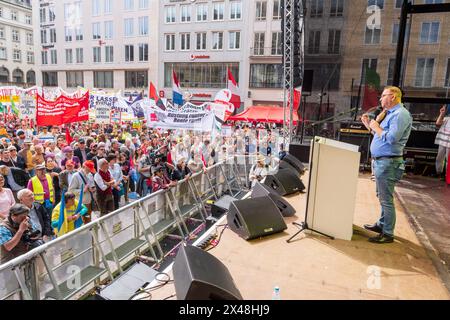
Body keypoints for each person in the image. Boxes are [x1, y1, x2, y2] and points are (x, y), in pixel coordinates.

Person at [361, 86, 412, 244]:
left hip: (388, 163)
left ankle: (388, 233)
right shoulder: (390, 114)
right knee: (382, 197)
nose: (380, 99)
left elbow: (392, 138)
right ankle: (382, 225)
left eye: (383, 96)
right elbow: (379, 134)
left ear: (393, 97)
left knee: (386, 200)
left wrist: (376, 126)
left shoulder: (400, 114)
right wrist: (368, 125)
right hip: (382, 162)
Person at [435, 104, 450, 180]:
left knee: (448, 159)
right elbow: (437, 123)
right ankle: (439, 173)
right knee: (439, 157)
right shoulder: (446, 118)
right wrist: (441, 113)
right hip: (443, 140)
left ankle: (447, 176)